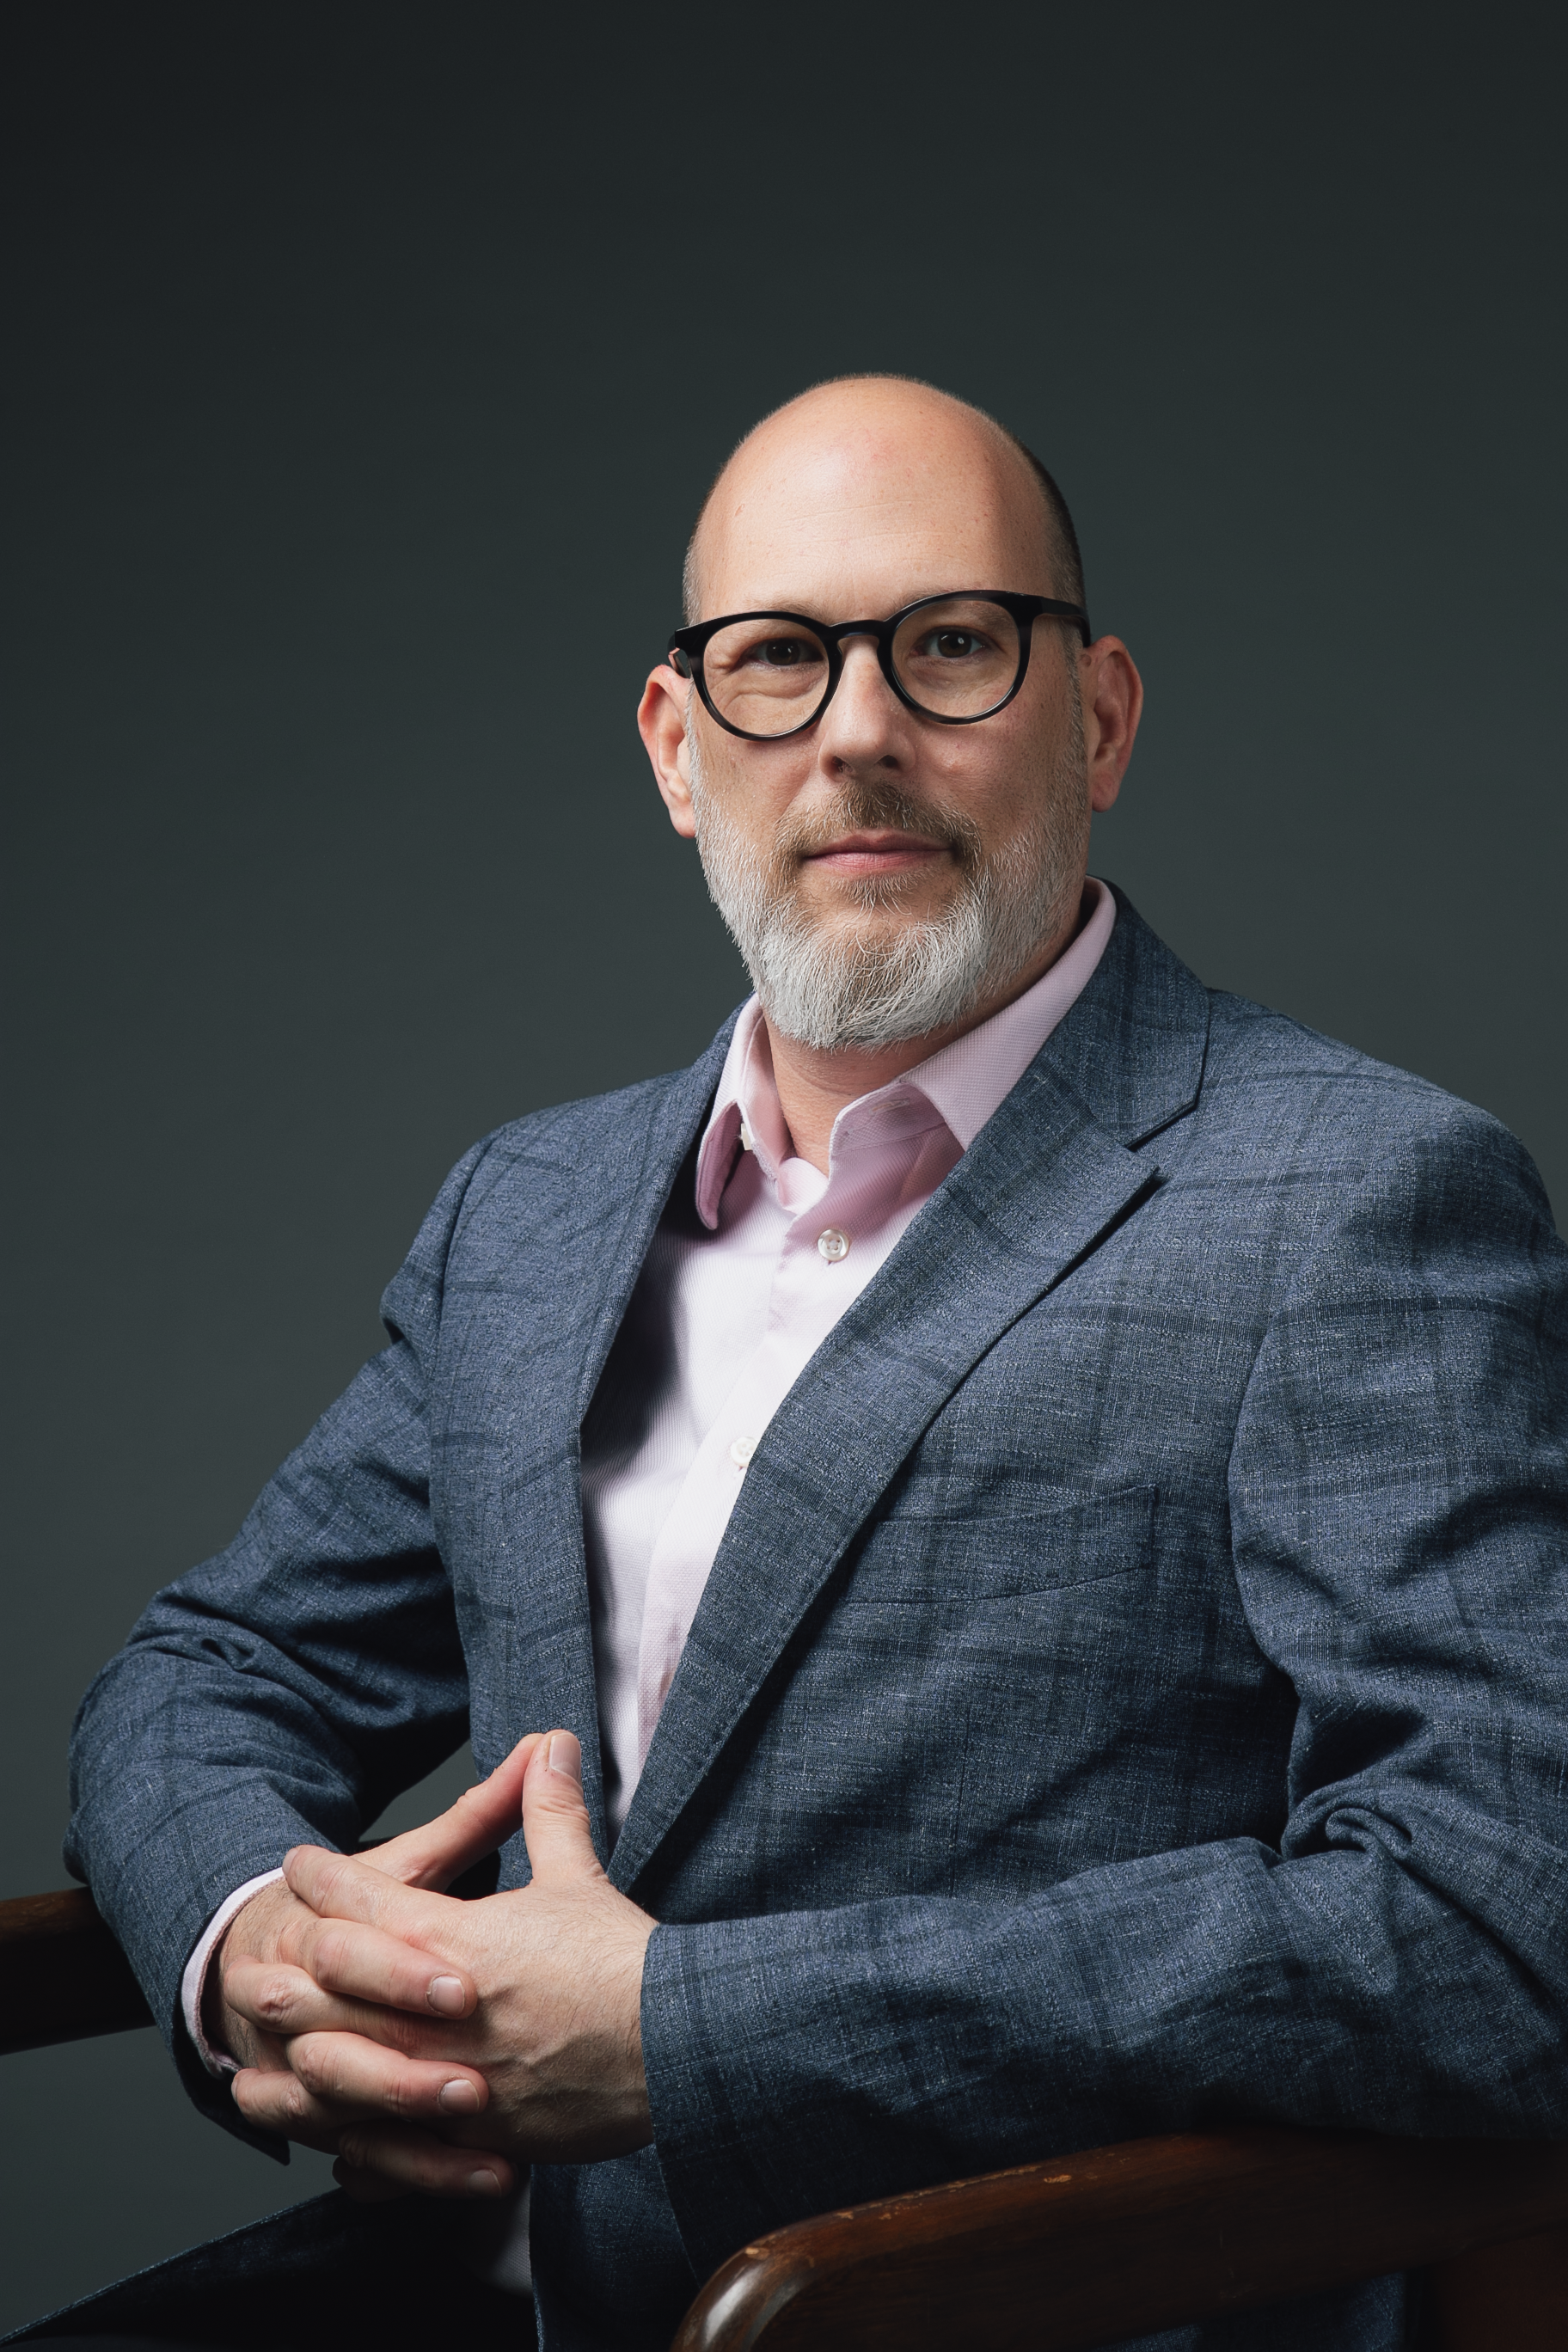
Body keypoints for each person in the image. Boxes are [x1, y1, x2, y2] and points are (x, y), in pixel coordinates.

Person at [22, 377, 1568, 2352]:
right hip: (464, 2292)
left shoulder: (1356, 1197)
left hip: (959, 2308)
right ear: (680, 749)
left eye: (949, 645)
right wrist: (258, 1945)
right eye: (776, 660)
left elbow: (1493, 1925)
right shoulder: (532, 1208)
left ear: (1097, 716)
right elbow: (212, 1672)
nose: (857, 730)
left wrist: (687, 2036)